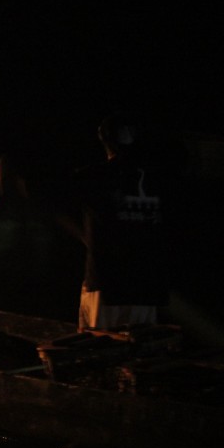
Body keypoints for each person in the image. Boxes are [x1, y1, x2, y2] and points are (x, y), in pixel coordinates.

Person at [69, 112, 173, 331]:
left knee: (100, 345)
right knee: (142, 346)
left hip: (106, 284)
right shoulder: (161, 180)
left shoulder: (91, 177)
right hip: (146, 285)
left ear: (104, 140)